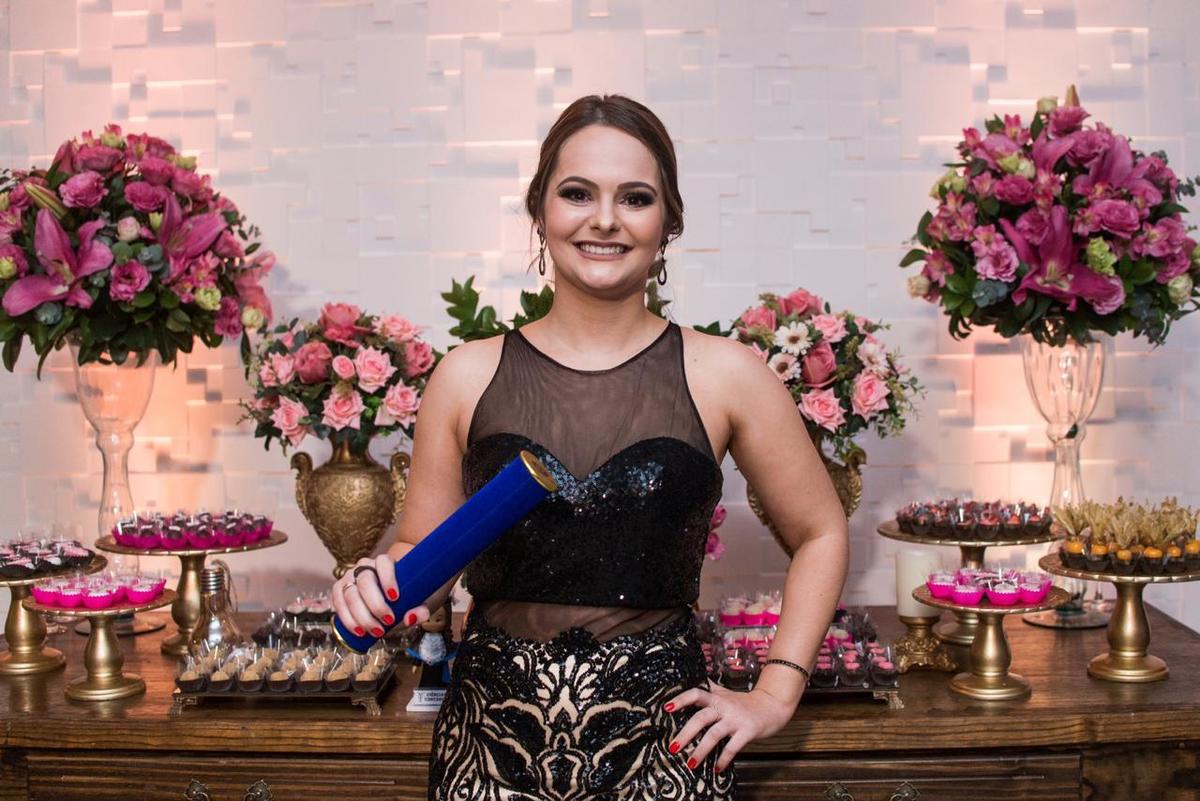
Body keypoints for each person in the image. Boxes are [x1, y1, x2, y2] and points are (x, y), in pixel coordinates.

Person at [331, 94, 849, 800]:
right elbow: (424, 554)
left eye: (635, 197)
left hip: (664, 756)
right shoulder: (465, 375)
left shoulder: (727, 374)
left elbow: (821, 530)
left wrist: (775, 691)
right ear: (539, 211)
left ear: (667, 222)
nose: (604, 219)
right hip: (489, 756)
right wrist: (374, 584)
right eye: (578, 193)